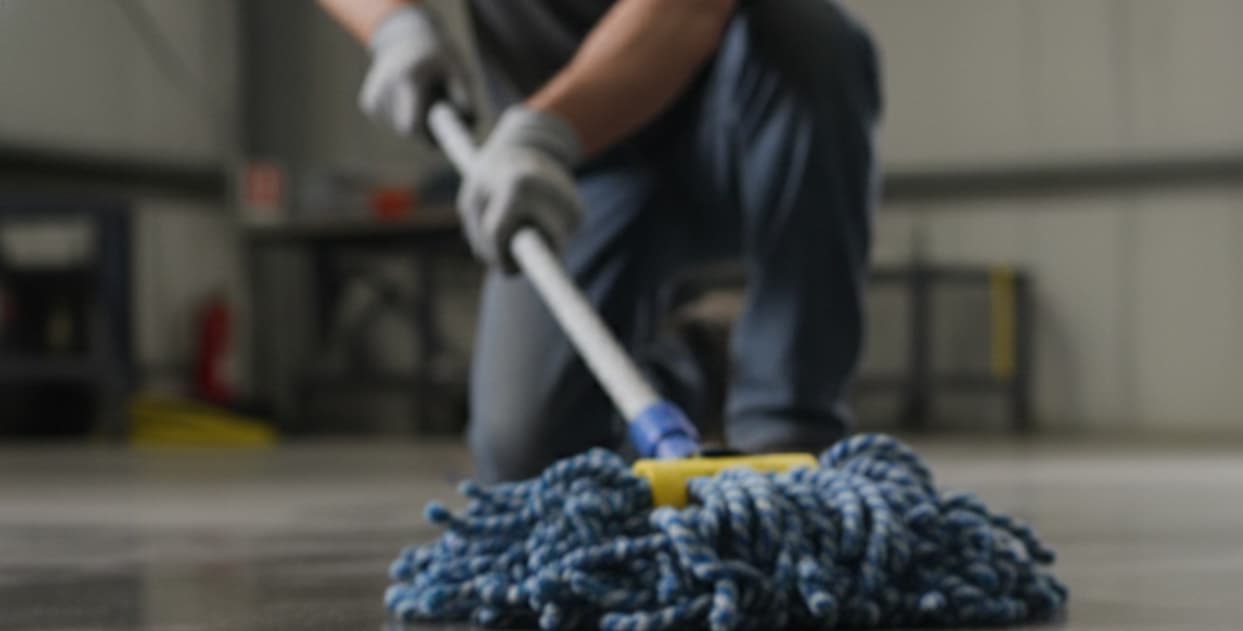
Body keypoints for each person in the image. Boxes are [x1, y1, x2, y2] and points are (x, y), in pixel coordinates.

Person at [318, 0, 882, 482]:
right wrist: (395, 27)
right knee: (528, 461)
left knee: (814, 41)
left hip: (737, 126)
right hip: (576, 167)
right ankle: (707, 357)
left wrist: (546, 130)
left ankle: (786, 429)